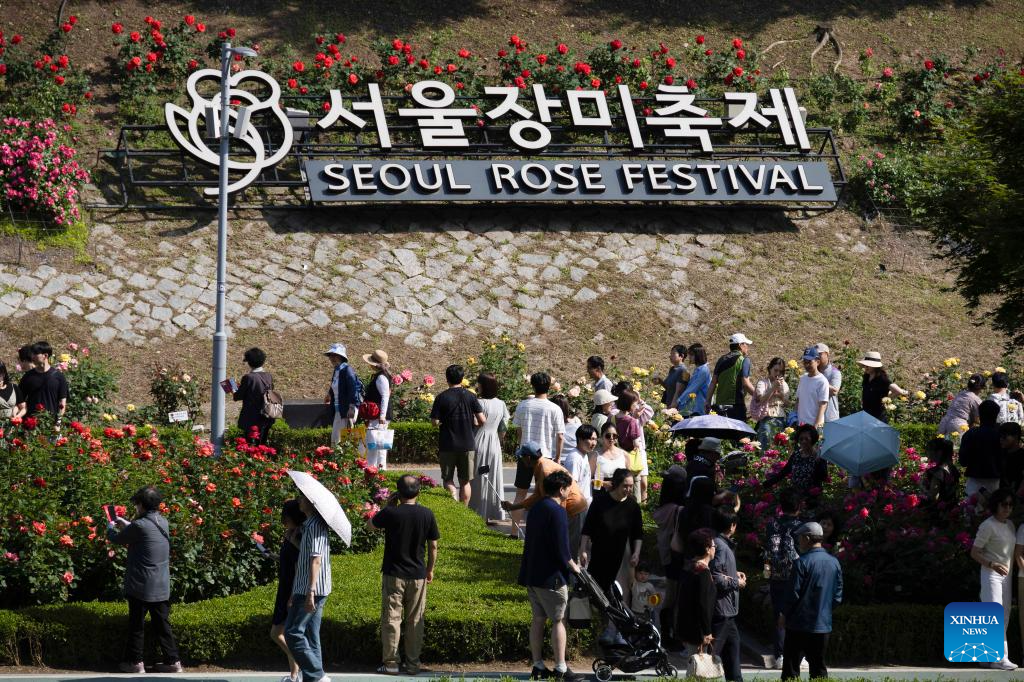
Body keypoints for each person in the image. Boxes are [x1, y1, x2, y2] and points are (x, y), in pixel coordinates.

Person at [106, 485, 182, 674]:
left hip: (141, 586)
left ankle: (135, 663)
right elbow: (146, 533)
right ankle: (173, 661)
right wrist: (129, 525)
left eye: (137, 504)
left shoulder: (139, 525)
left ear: (141, 505)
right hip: (161, 585)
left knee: (136, 626)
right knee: (163, 625)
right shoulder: (163, 522)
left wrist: (110, 527)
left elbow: (117, 539)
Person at [369, 474, 440, 676]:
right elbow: (433, 545)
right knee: (415, 620)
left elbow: (370, 526)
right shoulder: (427, 514)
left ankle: (391, 663)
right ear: (419, 491)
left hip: (394, 573)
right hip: (418, 574)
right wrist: (430, 569)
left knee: (392, 618)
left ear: (398, 493)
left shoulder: (391, 513)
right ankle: (413, 664)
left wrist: (388, 506)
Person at [517, 470, 584, 681]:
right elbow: (562, 549)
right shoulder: (557, 511)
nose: (570, 492)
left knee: (537, 619)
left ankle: (537, 665)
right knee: (558, 620)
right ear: (562, 489)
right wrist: (574, 567)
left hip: (532, 574)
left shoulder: (536, 508)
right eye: (569, 488)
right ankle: (561, 668)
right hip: (551, 577)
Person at [580, 468, 644, 645]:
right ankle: (604, 628)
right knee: (600, 594)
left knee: (621, 595)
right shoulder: (600, 502)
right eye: (625, 486)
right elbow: (588, 528)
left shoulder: (632, 505)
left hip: (623, 556)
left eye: (631, 486)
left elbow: (638, 534)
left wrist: (636, 553)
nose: (629, 490)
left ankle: (619, 632)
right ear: (616, 484)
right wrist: (583, 549)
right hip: (600, 554)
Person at [779, 521, 843, 680]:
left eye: (800, 538)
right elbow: (837, 596)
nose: (798, 541)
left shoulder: (801, 563)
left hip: (799, 626)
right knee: (818, 668)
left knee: (791, 670)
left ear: (807, 538)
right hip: (822, 625)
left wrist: (783, 615)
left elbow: (793, 595)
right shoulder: (834, 562)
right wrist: (824, 611)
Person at [285, 494, 333, 682]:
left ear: (311, 503)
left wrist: (310, 592)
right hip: (308, 587)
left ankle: (317, 675)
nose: (299, 502)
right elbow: (308, 556)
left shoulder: (315, 526)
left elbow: (316, 560)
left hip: (310, 589)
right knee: (311, 635)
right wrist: (294, 541)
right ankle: (314, 678)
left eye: (302, 499)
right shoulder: (310, 525)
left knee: (293, 632)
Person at [503, 442, 587, 548]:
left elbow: (560, 499)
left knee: (566, 551)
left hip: (574, 511)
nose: (521, 460)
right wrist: (513, 507)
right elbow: (537, 496)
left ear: (528, 458)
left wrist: (558, 523)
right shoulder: (541, 466)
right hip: (568, 510)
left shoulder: (546, 471)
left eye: (521, 456)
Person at [511, 372, 565, 530]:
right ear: (549, 386)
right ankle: (541, 530)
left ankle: (514, 531)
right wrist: (558, 457)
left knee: (520, 494)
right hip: (545, 458)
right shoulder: (555, 409)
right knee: (546, 495)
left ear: (532, 385)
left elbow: (519, 431)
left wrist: (521, 446)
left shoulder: (523, 405)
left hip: (525, 456)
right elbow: (560, 436)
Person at [971, 489, 1018, 671]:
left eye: (1010, 505)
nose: (1007, 508)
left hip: (1006, 576)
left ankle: (986, 657)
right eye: (1003, 504)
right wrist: (992, 564)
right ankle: (1000, 658)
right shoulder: (987, 525)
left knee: (1004, 615)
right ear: (996, 505)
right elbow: (974, 552)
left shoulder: (1010, 525)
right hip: (991, 574)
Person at [430, 365, 486, 507]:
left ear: (446, 378)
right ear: (462, 378)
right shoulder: (471, 396)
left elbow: (435, 422)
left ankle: (453, 504)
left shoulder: (441, 397)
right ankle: (464, 509)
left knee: (448, 479)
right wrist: (472, 423)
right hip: (467, 444)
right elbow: (482, 420)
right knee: (465, 481)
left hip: (447, 445)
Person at [762, 489, 803, 670]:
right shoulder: (801, 526)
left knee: (779, 614)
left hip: (776, 575)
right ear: (799, 507)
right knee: (797, 614)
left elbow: (768, 549)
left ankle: (780, 655)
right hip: (796, 574)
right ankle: (797, 656)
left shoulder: (772, 525)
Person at [270, 500, 306, 682]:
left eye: (285, 516)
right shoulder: (291, 534)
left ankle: (302, 663)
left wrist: (293, 594)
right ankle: (294, 675)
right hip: (285, 586)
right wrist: (274, 556)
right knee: (284, 632)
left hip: (291, 589)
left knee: (277, 632)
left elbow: (300, 566)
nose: (283, 520)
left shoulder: (299, 536)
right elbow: (288, 561)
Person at [709, 509, 745, 682]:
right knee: (710, 657)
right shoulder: (721, 546)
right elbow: (716, 577)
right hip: (722, 610)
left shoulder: (722, 544)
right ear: (732, 526)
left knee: (732, 653)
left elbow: (720, 571)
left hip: (728, 611)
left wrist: (734, 573)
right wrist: (736, 582)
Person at [470, 371, 510, 523]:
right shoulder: (501, 404)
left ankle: (477, 511)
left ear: (481, 385)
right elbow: (504, 428)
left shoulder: (477, 402)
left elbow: (474, 423)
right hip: (494, 442)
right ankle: (493, 511)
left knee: (478, 477)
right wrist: (499, 439)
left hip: (478, 440)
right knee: (493, 476)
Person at [675, 529, 717, 655]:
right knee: (697, 667)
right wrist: (707, 631)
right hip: (698, 630)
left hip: (687, 627)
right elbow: (703, 604)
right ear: (707, 549)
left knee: (692, 663)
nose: (715, 548)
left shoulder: (690, 567)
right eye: (714, 546)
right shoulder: (702, 572)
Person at [762, 425, 829, 499]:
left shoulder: (819, 456)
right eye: (801, 439)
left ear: (812, 439)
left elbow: (824, 476)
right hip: (796, 496)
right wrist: (766, 484)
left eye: (806, 439)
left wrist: (820, 463)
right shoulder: (796, 455)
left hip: (812, 497)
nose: (803, 441)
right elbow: (784, 472)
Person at [614, 389, 653, 503]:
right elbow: (636, 444)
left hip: (617, 456)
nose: (636, 406)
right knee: (634, 487)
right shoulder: (632, 421)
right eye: (635, 403)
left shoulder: (613, 417)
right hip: (631, 459)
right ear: (629, 404)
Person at [959, 399, 1004, 498]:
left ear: (980, 414)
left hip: (974, 482)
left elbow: (963, 461)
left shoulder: (971, 434)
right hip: (995, 481)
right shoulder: (1001, 435)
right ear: (996, 415)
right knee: (993, 510)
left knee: (971, 509)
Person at [706, 333, 754, 421]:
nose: (747, 346)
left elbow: (713, 382)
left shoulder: (721, 359)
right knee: (738, 434)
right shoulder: (744, 360)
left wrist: (708, 401)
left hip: (719, 406)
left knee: (721, 433)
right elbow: (746, 383)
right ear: (740, 345)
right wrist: (759, 396)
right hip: (736, 406)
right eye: (746, 344)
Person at [17, 341, 69, 420]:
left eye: (35, 354)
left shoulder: (58, 377)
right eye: (32, 354)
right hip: (30, 423)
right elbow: (19, 400)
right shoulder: (27, 376)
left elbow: (62, 403)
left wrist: (58, 422)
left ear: (45, 356)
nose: (32, 356)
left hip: (49, 424)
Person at [324, 343, 363, 447]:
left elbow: (353, 389)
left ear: (340, 357)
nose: (331, 358)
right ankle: (336, 461)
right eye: (330, 355)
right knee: (336, 438)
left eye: (334, 355)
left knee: (341, 438)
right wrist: (329, 394)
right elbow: (335, 385)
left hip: (347, 409)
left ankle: (342, 461)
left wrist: (352, 407)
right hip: (339, 408)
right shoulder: (337, 370)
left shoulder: (347, 370)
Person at [234, 347, 275, 445]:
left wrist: (234, 389)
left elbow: (238, 396)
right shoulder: (268, 376)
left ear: (249, 362)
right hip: (266, 415)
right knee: (262, 445)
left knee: (250, 446)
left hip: (251, 417)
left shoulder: (248, 377)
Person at [857, 351, 908, 422]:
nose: (865, 367)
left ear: (875, 367)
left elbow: (898, 391)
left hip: (877, 416)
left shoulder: (882, 378)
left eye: (868, 365)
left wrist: (885, 400)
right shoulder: (866, 376)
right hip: (866, 414)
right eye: (865, 365)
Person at [750, 358, 789, 450]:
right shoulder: (762, 382)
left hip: (780, 417)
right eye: (775, 370)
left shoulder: (784, 384)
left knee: (780, 447)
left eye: (780, 371)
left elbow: (787, 403)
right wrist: (773, 388)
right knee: (766, 445)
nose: (778, 373)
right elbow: (761, 399)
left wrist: (781, 395)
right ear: (770, 369)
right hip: (767, 416)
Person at [562, 424, 596, 510]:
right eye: (591, 439)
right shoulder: (575, 458)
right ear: (580, 439)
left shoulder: (584, 455)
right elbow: (572, 485)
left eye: (595, 439)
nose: (594, 443)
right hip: (577, 507)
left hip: (584, 504)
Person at [794, 346, 828, 429]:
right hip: (800, 424)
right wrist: (794, 417)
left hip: (814, 425)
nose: (807, 365)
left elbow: (823, 405)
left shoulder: (822, 381)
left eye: (809, 362)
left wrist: (816, 425)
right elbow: (798, 400)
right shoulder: (803, 378)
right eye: (805, 362)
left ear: (818, 362)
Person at [921, 438, 961, 508]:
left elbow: (933, 496)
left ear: (939, 452)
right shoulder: (953, 468)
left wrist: (921, 486)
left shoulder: (937, 472)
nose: (927, 453)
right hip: (953, 509)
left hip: (939, 512)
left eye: (929, 450)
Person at [675, 343, 710, 416]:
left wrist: (678, 401)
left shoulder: (703, 370)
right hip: (694, 408)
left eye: (691, 355)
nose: (689, 357)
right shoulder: (698, 369)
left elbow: (692, 389)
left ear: (698, 355)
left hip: (699, 409)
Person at [362, 350, 393, 428]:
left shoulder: (381, 377)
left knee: (375, 439)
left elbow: (385, 396)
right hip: (376, 414)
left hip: (378, 416)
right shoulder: (380, 375)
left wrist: (382, 415)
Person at [592, 422, 628, 487]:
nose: (611, 438)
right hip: (601, 494)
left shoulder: (624, 455)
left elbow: (629, 479)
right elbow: (587, 479)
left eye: (614, 435)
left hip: (620, 494)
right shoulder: (595, 455)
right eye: (608, 435)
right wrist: (603, 484)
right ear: (602, 436)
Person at [629, 561, 663, 625]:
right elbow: (631, 573)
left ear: (649, 575)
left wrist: (656, 601)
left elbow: (655, 598)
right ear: (636, 573)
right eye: (641, 573)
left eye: (646, 574)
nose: (643, 576)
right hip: (636, 612)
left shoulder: (650, 586)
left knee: (649, 628)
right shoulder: (634, 584)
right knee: (636, 628)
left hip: (648, 613)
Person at [815, 344, 841, 423]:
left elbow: (834, 391)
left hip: (829, 416)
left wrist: (818, 378)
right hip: (814, 414)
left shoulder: (835, 372)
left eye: (820, 354)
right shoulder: (811, 372)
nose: (817, 357)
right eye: (815, 355)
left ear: (827, 354)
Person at [1001, 422, 1024, 496]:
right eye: (1000, 436)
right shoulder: (1001, 454)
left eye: (1004, 437)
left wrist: (1016, 498)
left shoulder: (1022, 455)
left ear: (1016, 437)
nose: (1001, 439)